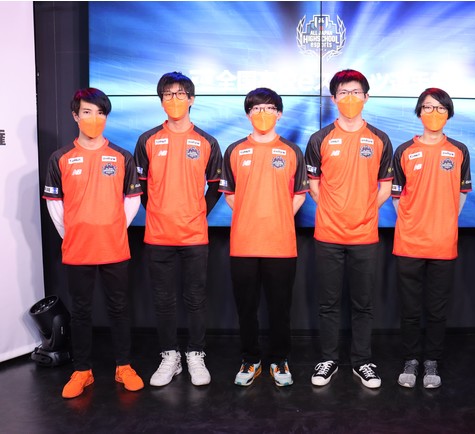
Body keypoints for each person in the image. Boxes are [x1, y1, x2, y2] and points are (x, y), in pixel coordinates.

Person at [43, 88, 144, 399]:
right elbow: (55, 204)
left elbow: (132, 199)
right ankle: (82, 371)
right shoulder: (60, 158)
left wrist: (113, 229)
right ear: (75, 116)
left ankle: (123, 366)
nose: (94, 118)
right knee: (81, 311)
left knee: (120, 308)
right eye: (87, 112)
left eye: (100, 113)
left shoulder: (122, 157)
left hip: (114, 247)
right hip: (77, 249)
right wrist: (73, 233)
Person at [305, 69, 393, 389]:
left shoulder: (380, 139)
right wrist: (334, 210)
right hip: (328, 235)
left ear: (366, 97)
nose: (350, 98)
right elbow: (313, 185)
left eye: (356, 92)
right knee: (328, 303)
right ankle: (328, 358)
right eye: (343, 92)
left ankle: (362, 360)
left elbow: (386, 186)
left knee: (362, 303)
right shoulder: (320, 139)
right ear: (334, 98)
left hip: (365, 235)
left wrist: (364, 211)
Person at [134, 72, 223, 387]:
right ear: (161, 101)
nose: (174, 99)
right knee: (163, 299)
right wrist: (158, 212)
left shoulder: (207, 142)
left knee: (195, 298)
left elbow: (216, 186)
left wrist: (196, 213)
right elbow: (140, 187)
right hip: (158, 235)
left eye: (180, 93)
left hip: (194, 235)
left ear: (191, 99)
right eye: (168, 94)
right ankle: (169, 356)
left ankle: (195, 353)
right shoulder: (147, 140)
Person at [220, 88, 309, 387]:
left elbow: (299, 195)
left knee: (280, 308)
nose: (263, 114)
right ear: (248, 114)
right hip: (244, 244)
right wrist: (251, 214)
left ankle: (279, 360)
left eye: (269, 108)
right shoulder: (234, 150)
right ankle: (250, 359)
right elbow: (230, 194)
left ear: (279, 114)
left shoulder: (291, 151)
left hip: (280, 244)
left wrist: (277, 215)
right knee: (246, 308)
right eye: (256, 109)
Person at [391, 88, 472, 389]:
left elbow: (462, 193)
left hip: (443, 243)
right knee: (410, 309)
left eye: (440, 108)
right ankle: (411, 360)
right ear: (419, 112)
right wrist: (413, 221)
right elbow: (397, 197)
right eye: (427, 107)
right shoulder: (404, 151)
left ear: (449, 113)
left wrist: (445, 220)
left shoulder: (459, 150)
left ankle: (432, 361)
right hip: (409, 243)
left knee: (437, 309)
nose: (434, 113)